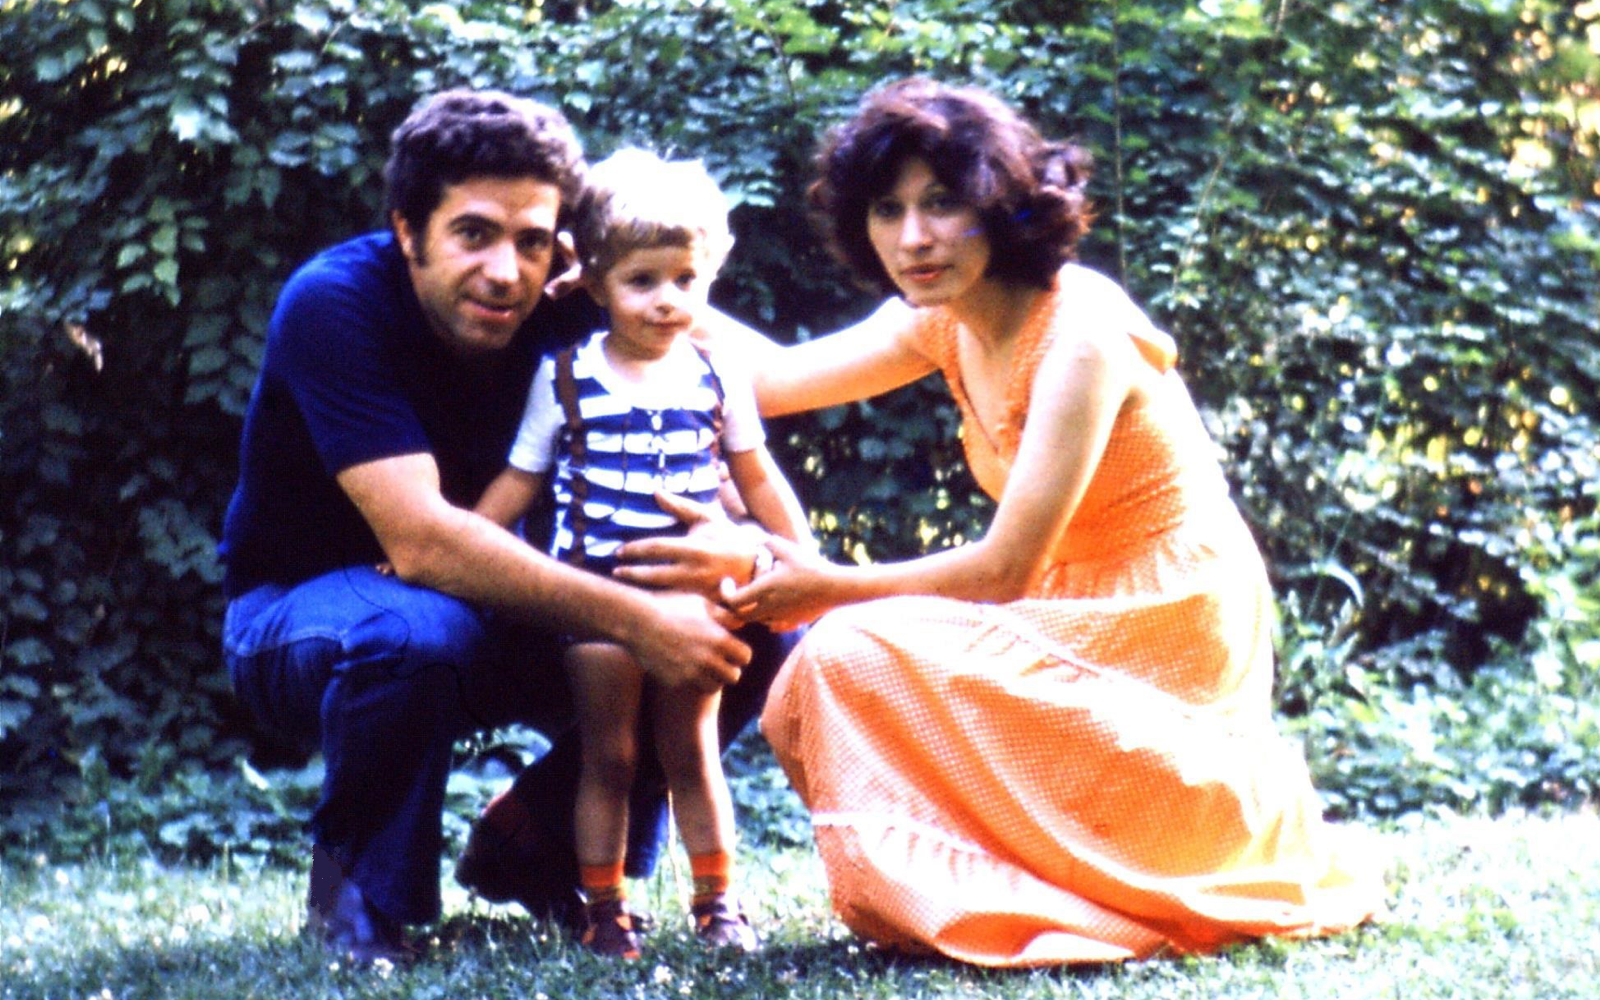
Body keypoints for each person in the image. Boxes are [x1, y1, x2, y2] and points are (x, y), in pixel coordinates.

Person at [713, 77, 1385, 966]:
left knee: (846, 648)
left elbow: (1004, 571)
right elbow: (765, 382)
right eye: (888, 210)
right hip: (1069, 607)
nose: (914, 238)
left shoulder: (1081, 330)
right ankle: (981, 889)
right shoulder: (939, 319)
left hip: (1170, 619)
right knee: (837, 664)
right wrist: (618, 286)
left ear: (1000, 202)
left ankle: (1062, 883)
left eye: (942, 203)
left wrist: (826, 588)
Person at [218, 90, 791, 965]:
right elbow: (423, 545)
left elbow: (762, 379)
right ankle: (349, 900)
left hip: (506, 602)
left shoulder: (574, 304)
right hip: (309, 615)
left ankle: (535, 845)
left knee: (747, 630)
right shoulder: (334, 305)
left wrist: (744, 553)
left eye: (532, 241)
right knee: (414, 629)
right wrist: (640, 618)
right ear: (407, 229)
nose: (506, 272)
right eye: (474, 234)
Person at [472, 147, 810, 957]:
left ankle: (718, 904)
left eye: (686, 280)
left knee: (689, 750)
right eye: (642, 281)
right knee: (612, 757)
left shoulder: (715, 373)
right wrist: (460, 548)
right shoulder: (565, 376)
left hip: (694, 593)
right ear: (595, 283)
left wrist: (806, 560)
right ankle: (604, 908)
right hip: (596, 592)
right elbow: (519, 482)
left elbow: (757, 477)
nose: (667, 301)